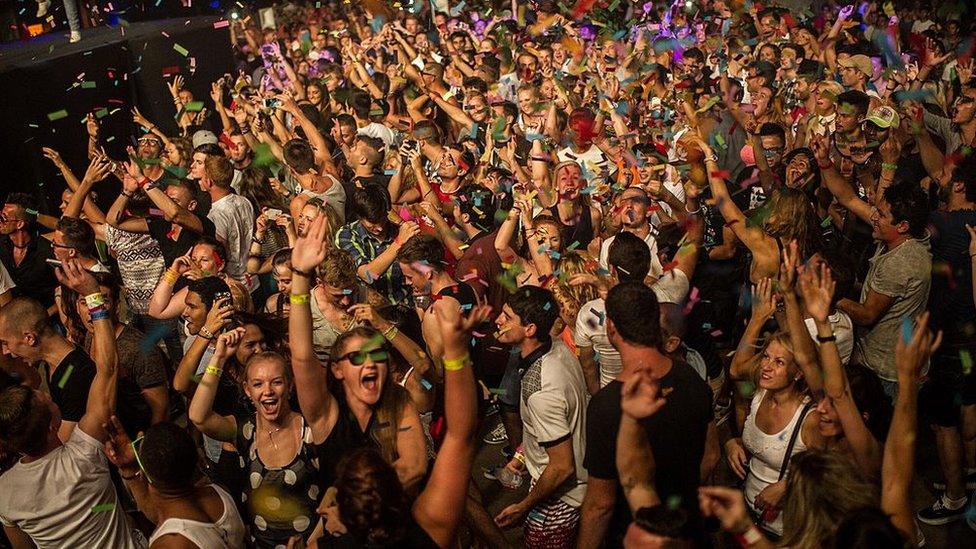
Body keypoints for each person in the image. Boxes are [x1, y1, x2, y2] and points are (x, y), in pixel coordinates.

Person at [0, 260, 143, 547]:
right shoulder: (83, 455)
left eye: (5, 342)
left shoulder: (5, 494)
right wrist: (93, 295)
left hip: (111, 502)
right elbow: (108, 369)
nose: (5, 351)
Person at [578, 281, 717, 548]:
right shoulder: (692, 378)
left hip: (635, 535)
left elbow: (601, 504)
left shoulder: (607, 405)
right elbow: (712, 456)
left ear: (611, 329)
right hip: (686, 529)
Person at [491, 286, 589, 548]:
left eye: (507, 316)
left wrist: (523, 506)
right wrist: (523, 454)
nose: (498, 321)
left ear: (530, 329)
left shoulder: (541, 391)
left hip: (561, 499)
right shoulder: (554, 346)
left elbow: (561, 467)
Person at [102, 419, 246, 548]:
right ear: (197, 460)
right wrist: (129, 469)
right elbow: (162, 514)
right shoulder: (218, 493)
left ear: (145, 475)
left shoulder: (170, 543)